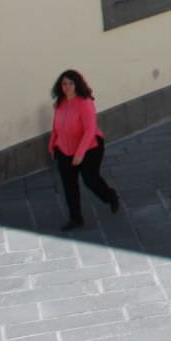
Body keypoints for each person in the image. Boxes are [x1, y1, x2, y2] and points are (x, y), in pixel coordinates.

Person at [50, 69, 121, 231]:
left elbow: (90, 131)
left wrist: (80, 154)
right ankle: (76, 218)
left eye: (70, 83)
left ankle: (111, 196)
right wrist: (52, 146)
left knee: (90, 180)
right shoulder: (59, 103)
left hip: (90, 148)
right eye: (64, 84)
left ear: (77, 85)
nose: (67, 87)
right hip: (64, 149)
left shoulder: (85, 103)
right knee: (69, 185)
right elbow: (56, 127)